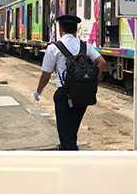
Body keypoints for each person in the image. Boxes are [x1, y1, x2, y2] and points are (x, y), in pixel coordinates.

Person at [34, 14, 107, 150]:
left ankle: (71, 158)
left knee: (65, 134)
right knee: (73, 129)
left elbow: (46, 74)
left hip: (64, 94)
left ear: (60, 28)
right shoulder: (86, 46)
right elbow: (102, 62)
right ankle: (70, 149)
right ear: (76, 29)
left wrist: (38, 91)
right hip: (83, 94)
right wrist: (91, 80)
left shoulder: (54, 48)